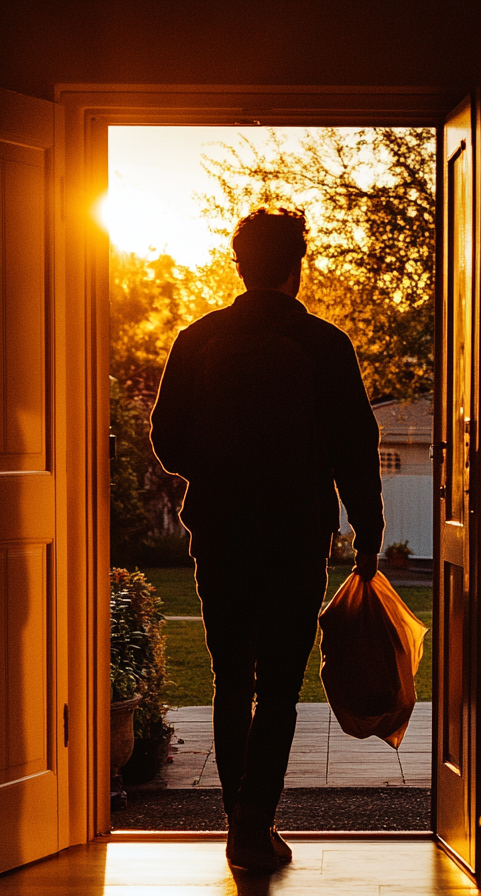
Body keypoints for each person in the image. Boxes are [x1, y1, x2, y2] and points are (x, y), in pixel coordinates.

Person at [150, 207, 384, 872]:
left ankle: (238, 824)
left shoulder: (197, 339)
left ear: (239, 264)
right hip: (294, 534)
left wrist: (219, 471)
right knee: (279, 683)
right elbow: (353, 446)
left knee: (231, 679)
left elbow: (167, 437)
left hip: (220, 533)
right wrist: (368, 532)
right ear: (294, 266)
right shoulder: (322, 344)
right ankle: (256, 823)